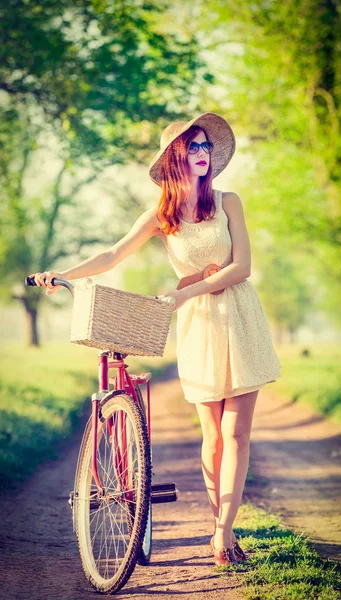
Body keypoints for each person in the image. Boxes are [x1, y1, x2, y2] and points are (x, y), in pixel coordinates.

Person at [31, 112, 282, 567]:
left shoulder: (229, 201)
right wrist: (63, 274)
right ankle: (218, 525)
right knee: (213, 438)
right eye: (193, 147)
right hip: (198, 326)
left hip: (239, 316)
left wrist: (186, 288)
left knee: (237, 434)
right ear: (174, 158)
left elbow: (242, 268)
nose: (202, 154)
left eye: (206, 146)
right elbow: (112, 254)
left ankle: (222, 535)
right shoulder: (161, 215)